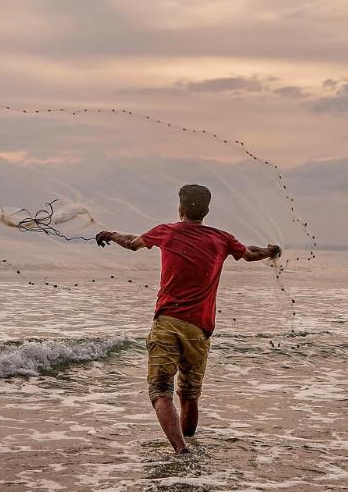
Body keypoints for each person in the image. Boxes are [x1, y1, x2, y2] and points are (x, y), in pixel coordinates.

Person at [95, 183, 280, 454]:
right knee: (189, 395)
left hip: (168, 322)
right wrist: (270, 250)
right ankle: (189, 445)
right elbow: (250, 254)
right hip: (200, 329)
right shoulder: (222, 238)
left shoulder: (166, 231)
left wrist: (109, 234)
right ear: (207, 210)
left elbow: (132, 243)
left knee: (160, 390)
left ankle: (181, 451)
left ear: (180, 208)